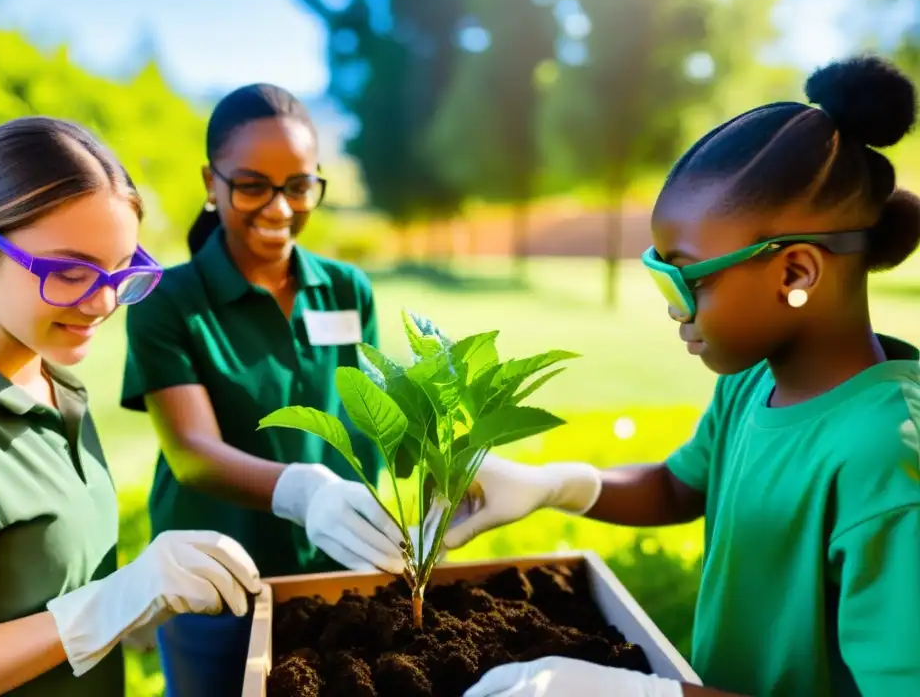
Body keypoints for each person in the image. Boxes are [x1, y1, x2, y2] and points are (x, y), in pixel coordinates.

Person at [451, 56, 920, 697]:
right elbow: (678, 488)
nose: (673, 305)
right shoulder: (751, 383)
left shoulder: (889, 462)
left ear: (796, 274)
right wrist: (552, 484)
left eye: (684, 276)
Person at [0, 117, 263, 697]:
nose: (104, 300)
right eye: (70, 272)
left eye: (121, 272)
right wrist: (107, 606)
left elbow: (46, 595)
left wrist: (139, 604)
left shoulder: (56, 391)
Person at [120, 83, 405, 695]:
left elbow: (371, 415)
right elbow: (192, 453)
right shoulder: (166, 302)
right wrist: (304, 491)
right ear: (210, 181)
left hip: (332, 571)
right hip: (215, 579)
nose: (279, 209)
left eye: (299, 187)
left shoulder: (348, 290)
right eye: (252, 186)